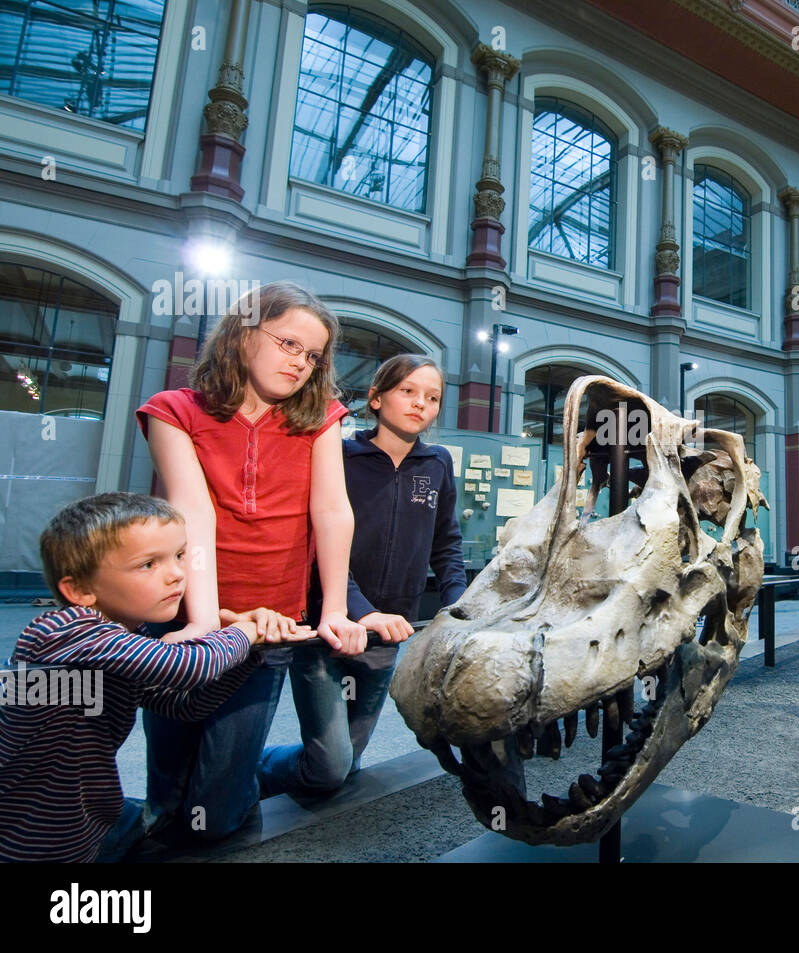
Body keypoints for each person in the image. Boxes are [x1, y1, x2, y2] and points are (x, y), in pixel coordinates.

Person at [135, 281, 367, 841]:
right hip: (183, 617)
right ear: (243, 332)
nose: (300, 363)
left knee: (215, 814)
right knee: (167, 795)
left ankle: (236, 794)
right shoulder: (175, 411)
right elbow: (191, 512)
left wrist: (333, 608)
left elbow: (332, 511)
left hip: (268, 629)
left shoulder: (320, 419)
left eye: (312, 356)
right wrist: (202, 619)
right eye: (289, 344)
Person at [0, 492, 311, 863]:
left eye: (179, 556)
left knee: (122, 825)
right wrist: (243, 633)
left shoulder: (117, 646)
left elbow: (184, 705)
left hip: (86, 813)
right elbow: (187, 667)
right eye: (148, 564)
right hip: (34, 826)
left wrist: (254, 654)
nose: (178, 573)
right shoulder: (63, 631)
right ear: (79, 590)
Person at [260, 354, 466, 796]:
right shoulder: (339, 455)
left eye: (432, 398)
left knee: (347, 764)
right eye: (407, 391)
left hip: (389, 631)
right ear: (375, 398)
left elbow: (446, 543)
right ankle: (252, 770)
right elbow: (316, 542)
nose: (420, 404)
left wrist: (459, 605)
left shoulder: (437, 464)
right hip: (329, 627)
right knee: (331, 768)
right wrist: (360, 609)